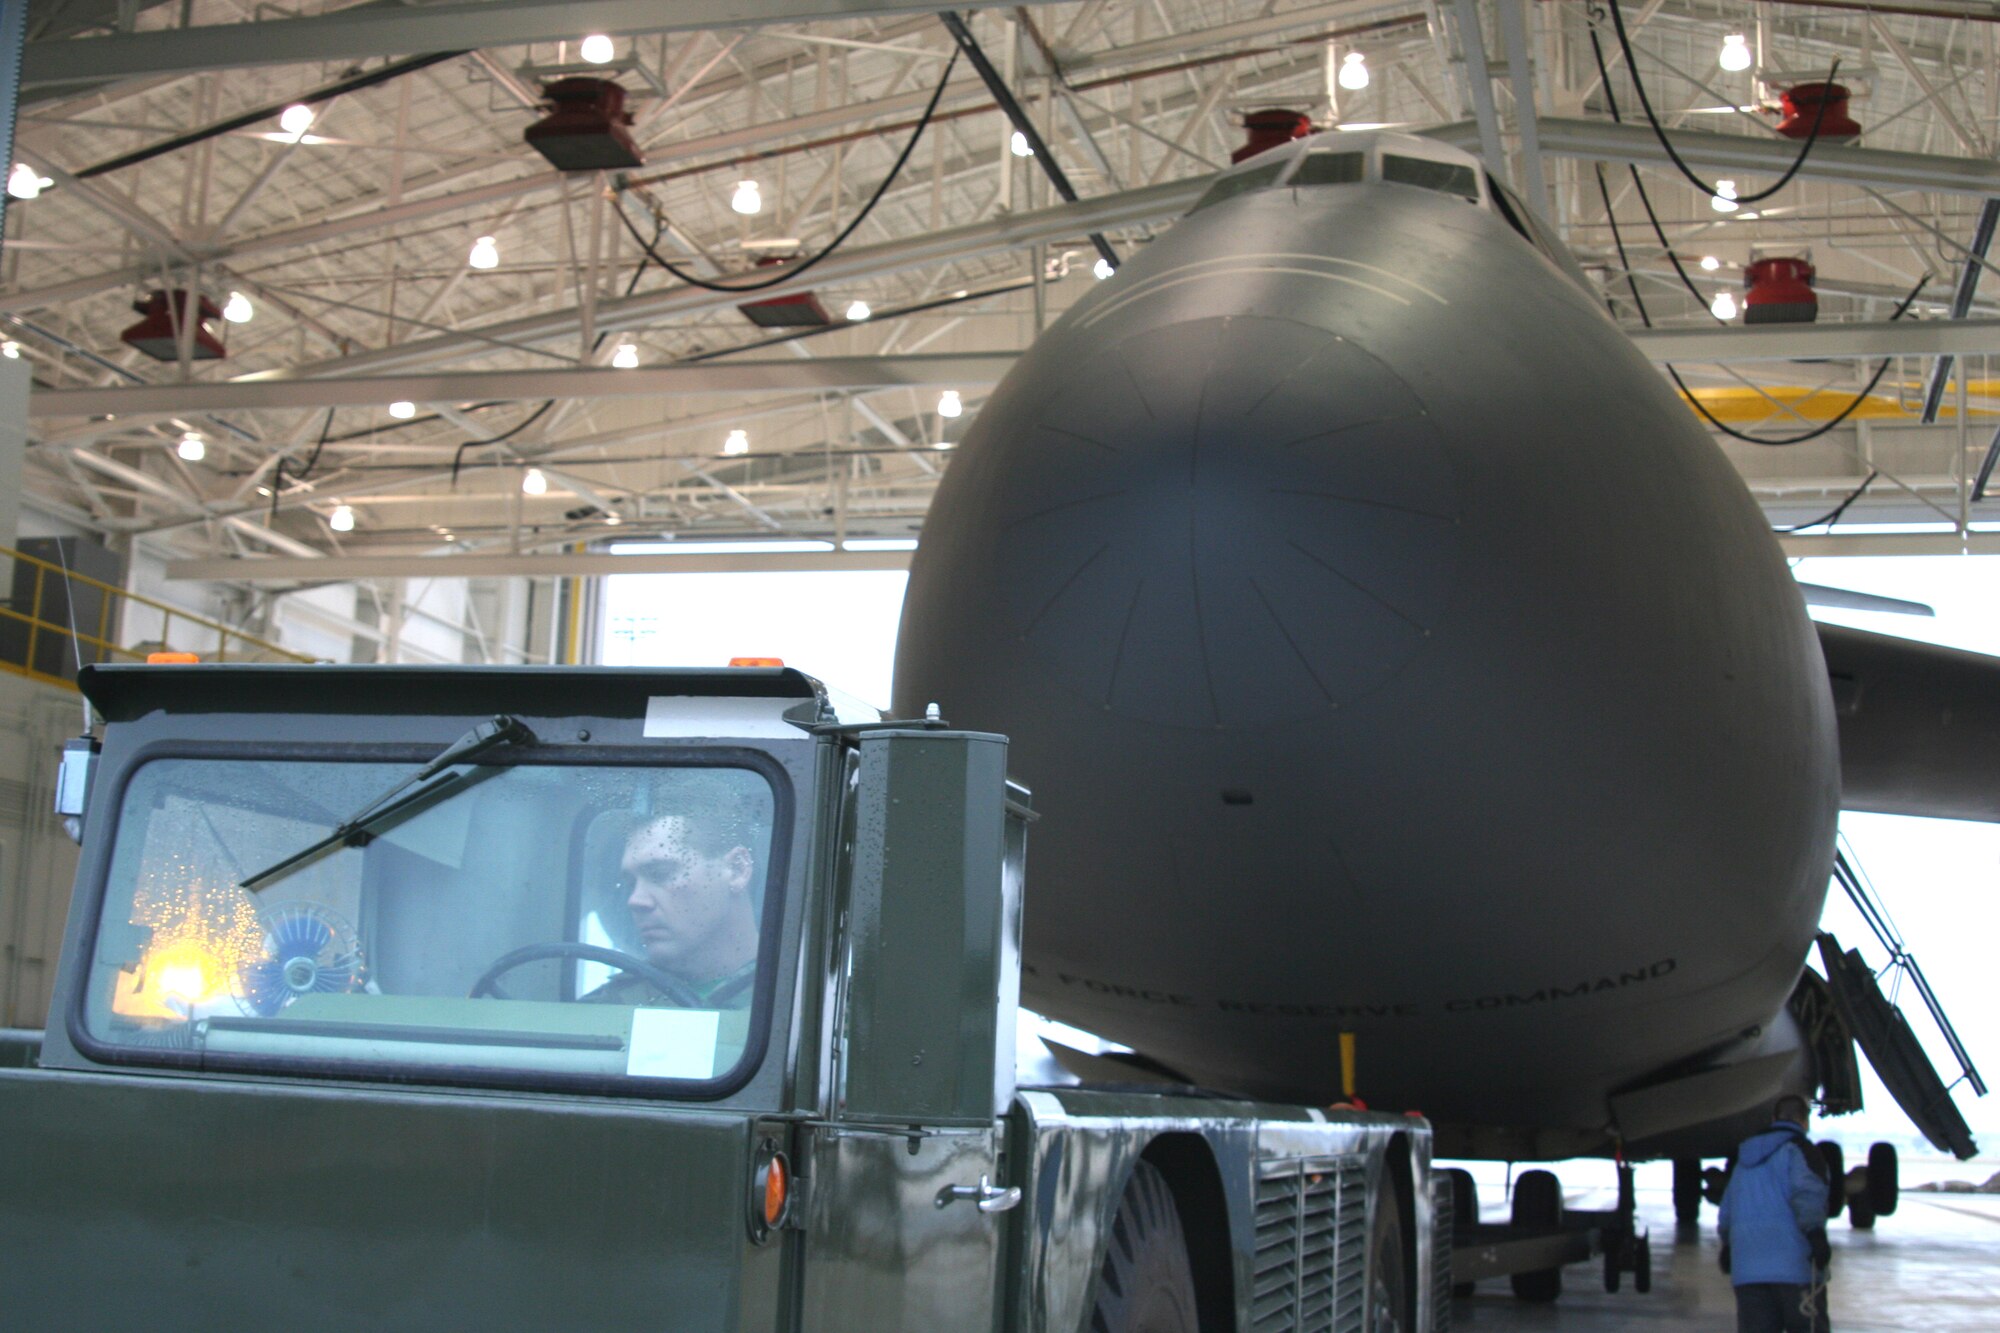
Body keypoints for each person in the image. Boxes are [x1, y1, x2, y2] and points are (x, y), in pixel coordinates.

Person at [584, 806, 763, 1009]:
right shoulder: (606, 1006)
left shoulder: (789, 989)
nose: (635, 900)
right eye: (631, 884)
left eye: (660, 873)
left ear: (737, 870)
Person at [1718, 1094, 1833, 1333]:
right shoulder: (1800, 1151)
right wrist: (1816, 1235)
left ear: (1773, 1119)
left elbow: (1727, 1210)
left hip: (1748, 1270)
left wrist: (1728, 1245)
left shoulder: (1743, 1160)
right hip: (1795, 1269)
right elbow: (1808, 1195)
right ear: (1805, 1122)